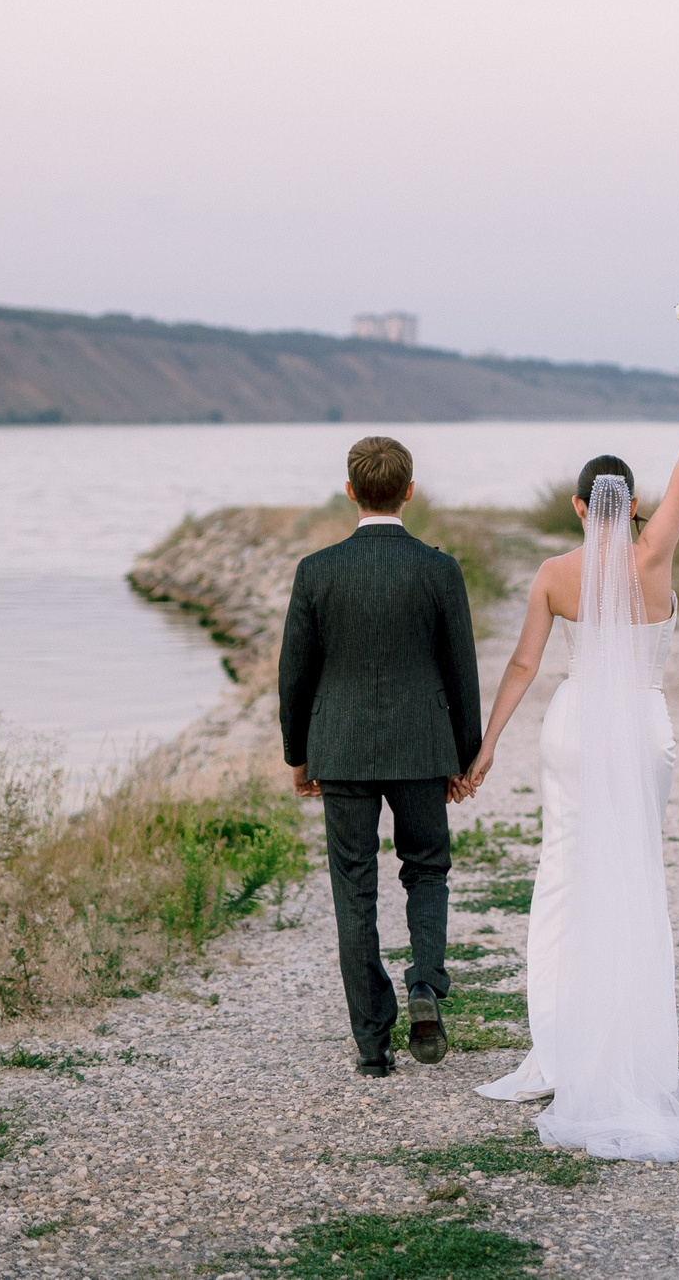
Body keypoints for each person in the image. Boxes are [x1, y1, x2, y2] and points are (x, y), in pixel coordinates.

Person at [466, 346, 679, 1161]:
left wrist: (485, 748)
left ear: (574, 504)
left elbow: (522, 665)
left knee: (561, 878)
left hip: (574, 727)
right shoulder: (653, 554)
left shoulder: (555, 572)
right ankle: (632, 1048)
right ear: (632, 506)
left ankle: (555, 1052)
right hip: (642, 728)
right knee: (634, 873)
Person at [277, 435, 483, 1078]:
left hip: (339, 749)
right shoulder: (438, 569)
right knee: (426, 870)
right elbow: (461, 671)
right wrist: (465, 755)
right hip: (423, 747)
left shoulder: (317, 570)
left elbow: (294, 675)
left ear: (349, 493)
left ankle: (373, 1045)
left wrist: (298, 755)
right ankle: (425, 986)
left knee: (353, 891)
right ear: (410, 492)